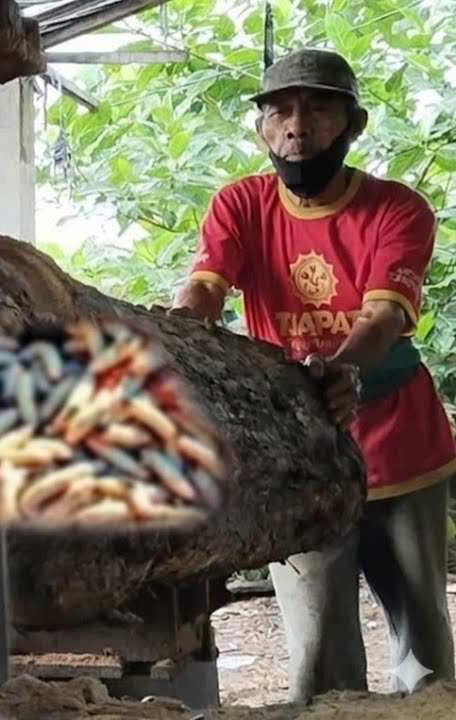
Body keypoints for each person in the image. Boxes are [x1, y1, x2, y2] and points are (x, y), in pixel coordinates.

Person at [169, 48, 456, 702]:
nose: (298, 126)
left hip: (399, 440)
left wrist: (344, 370)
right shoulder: (240, 205)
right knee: (317, 645)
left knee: (423, 639)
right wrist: (181, 329)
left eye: (319, 108)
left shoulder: (398, 209)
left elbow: (384, 316)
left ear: (353, 126)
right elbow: (204, 289)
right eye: (280, 111)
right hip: (300, 447)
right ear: (262, 130)